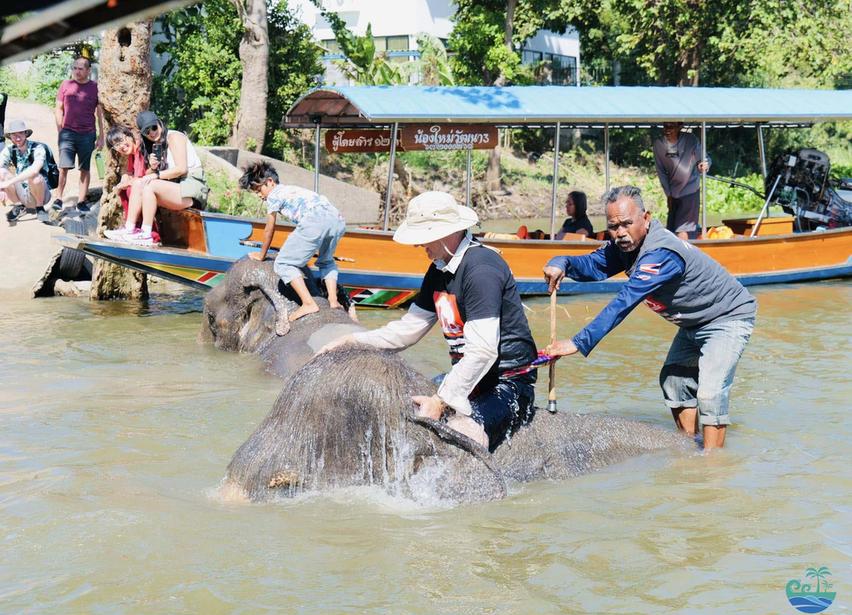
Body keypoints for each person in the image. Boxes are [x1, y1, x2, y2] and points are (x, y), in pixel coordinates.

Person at [542, 185, 756, 450]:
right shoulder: (625, 246)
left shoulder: (660, 253)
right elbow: (593, 266)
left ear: (646, 218)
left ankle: (712, 467)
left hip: (726, 317)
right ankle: (689, 446)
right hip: (692, 321)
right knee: (674, 381)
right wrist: (561, 262)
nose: (620, 233)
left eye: (627, 224)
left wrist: (578, 342)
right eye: (613, 226)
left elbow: (625, 301)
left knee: (710, 392)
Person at [320, 191, 538, 451]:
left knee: (461, 433)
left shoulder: (481, 269)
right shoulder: (439, 269)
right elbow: (408, 329)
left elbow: (483, 350)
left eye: (423, 237)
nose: (417, 245)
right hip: (468, 378)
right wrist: (352, 341)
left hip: (506, 381)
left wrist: (441, 400)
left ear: (447, 232)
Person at [238, 161, 348, 323]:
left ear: (269, 182)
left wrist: (262, 255)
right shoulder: (292, 190)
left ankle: (308, 303)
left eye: (258, 189)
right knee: (326, 261)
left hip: (315, 219)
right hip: (337, 218)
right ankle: (333, 300)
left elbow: (270, 229)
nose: (259, 195)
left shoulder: (274, 195)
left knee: (283, 264)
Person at [104, 111, 208, 246]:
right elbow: (146, 175)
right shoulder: (157, 144)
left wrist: (156, 175)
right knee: (140, 184)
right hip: (176, 189)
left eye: (154, 127)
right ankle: (129, 229)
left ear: (160, 123)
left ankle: (146, 234)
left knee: (148, 184)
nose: (152, 133)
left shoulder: (174, 137)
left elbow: (182, 169)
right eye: (147, 131)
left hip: (192, 189)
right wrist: (153, 168)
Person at [54, 56, 104, 213]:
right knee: (63, 167)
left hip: (87, 134)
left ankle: (81, 201)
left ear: (88, 70)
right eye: (75, 67)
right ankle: (58, 198)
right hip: (67, 133)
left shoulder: (95, 87)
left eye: (81, 68)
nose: (77, 71)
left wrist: (101, 136)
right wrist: (60, 130)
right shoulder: (65, 85)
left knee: (85, 169)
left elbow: (100, 113)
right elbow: (58, 108)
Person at [102, 124, 160, 243]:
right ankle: (131, 228)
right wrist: (124, 180)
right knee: (125, 189)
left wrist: (127, 183)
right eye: (116, 145)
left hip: (155, 184)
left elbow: (144, 176)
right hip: (143, 184)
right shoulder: (131, 154)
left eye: (122, 141)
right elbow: (129, 172)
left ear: (129, 136)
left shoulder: (142, 148)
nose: (121, 146)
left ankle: (135, 229)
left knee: (132, 187)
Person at [653, 122, 710, 240]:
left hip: (691, 189)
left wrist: (705, 164)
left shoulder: (690, 139)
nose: (667, 130)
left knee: (683, 228)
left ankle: (684, 255)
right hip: (673, 192)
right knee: (671, 228)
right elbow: (661, 171)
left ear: (679, 127)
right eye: (665, 126)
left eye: (671, 127)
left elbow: (704, 158)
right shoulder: (659, 145)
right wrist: (668, 194)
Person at [0, 119, 52, 223]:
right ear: (10, 136)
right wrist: (1, 187)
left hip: (40, 191)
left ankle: (40, 208)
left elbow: (34, 170)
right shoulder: (9, 149)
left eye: (20, 133)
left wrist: (8, 183)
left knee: (35, 177)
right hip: (21, 191)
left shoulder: (38, 148)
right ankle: (19, 206)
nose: (17, 137)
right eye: (14, 134)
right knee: (2, 172)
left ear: (26, 134)